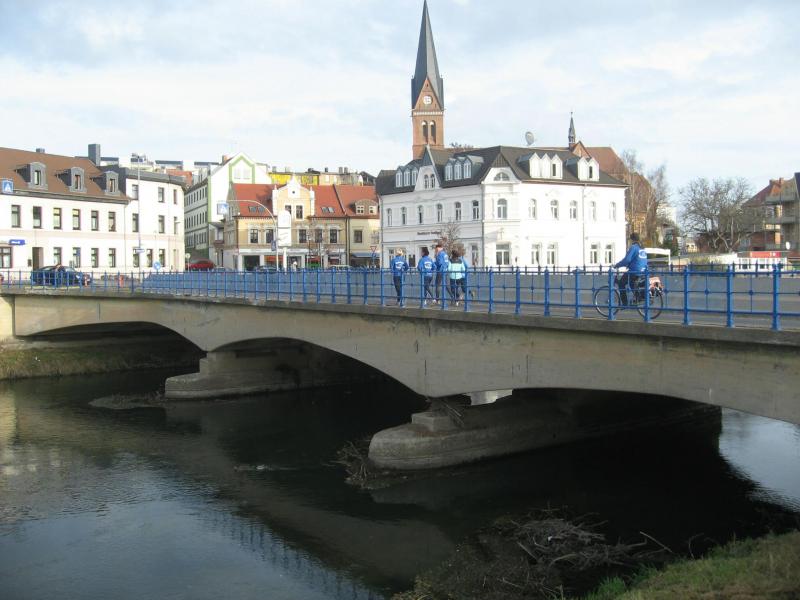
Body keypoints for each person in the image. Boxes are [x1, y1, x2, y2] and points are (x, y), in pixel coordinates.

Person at [614, 232, 648, 305]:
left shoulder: (633, 247)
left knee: (621, 283)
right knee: (631, 282)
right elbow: (638, 260)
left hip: (635, 271)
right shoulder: (642, 248)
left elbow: (627, 260)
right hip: (643, 271)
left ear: (632, 240)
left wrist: (617, 265)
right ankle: (638, 297)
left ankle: (624, 303)